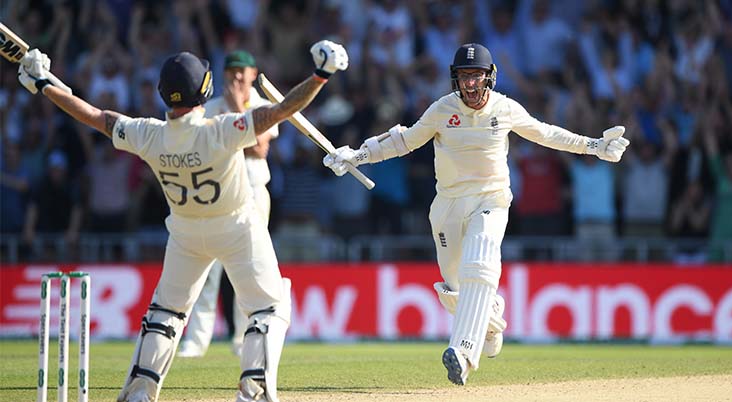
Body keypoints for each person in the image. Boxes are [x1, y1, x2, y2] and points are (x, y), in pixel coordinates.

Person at [18, 40, 348, 402]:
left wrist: (44, 84)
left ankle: (140, 393)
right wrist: (321, 75)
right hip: (237, 226)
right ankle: (252, 391)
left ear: (163, 93)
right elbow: (283, 109)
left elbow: (94, 116)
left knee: (166, 312)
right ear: (206, 89)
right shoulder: (221, 130)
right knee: (269, 307)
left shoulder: (148, 134)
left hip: (186, 234)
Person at [324, 43, 629, 385]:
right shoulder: (442, 110)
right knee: (454, 286)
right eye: (464, 77)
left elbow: (546, 134)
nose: (470, 84)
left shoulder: (505, 108)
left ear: (489, 77)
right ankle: (492, 319)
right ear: (455, 78)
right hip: (448, 204)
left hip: (491, 198)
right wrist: (356, 156)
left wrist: (595, 146)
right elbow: (403, 141)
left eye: (476, 77)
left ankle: (463, 352)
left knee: (480, 261)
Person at [178, 49, 279, 358]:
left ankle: (241, 339)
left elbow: (259, 149)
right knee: (208, 272)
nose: (237, 76)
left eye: (242, 71)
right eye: (232, 70)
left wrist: (237, 108)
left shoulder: (264, 106)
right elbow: (207, 152)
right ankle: (196, 342)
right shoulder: (208, 109)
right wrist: (236, 125)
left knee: (247, 270)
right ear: (223, 74)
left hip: (253, 192)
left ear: (253, 74)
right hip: (218, 196)